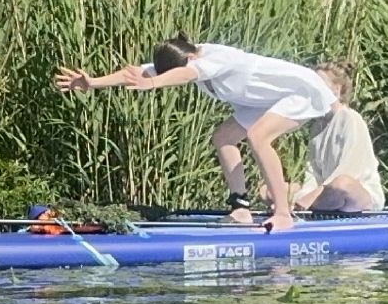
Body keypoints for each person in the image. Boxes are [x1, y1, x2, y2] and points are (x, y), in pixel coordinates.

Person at [54, 36, 335, 232]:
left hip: (301, 91)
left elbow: (186, 75)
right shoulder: (181, 59)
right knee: (224, 137)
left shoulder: (214, 58)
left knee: (259, 137)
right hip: (263, 100)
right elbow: (139, 71)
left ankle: (283, 214)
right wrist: (93, 83)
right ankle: (241, 207)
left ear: (189, 57)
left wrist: (153, 85)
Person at [294, 61, 385, 213]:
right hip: (326, 194)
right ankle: (310, 207)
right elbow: (312, 173)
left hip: (356, 193)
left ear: (337, 90)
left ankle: (314, 206)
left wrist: (311, 197)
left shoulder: (350, 119)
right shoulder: (317, 126)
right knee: (268, 190)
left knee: (342, 184)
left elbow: (349, 171)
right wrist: (304, 194)